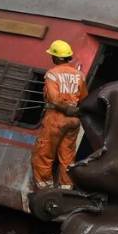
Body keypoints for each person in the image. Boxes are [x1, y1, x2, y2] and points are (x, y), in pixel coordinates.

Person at [31, 40, 87, 190]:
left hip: (56, 118)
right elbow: (84, 98)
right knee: (68, 156)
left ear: (56, 57)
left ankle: (44, 188)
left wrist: (64, 108)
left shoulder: (52, 74)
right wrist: (72, 109)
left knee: (44, 152)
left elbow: (54, 99)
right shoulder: (79, 75)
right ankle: (66, 187)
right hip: (74, 120)